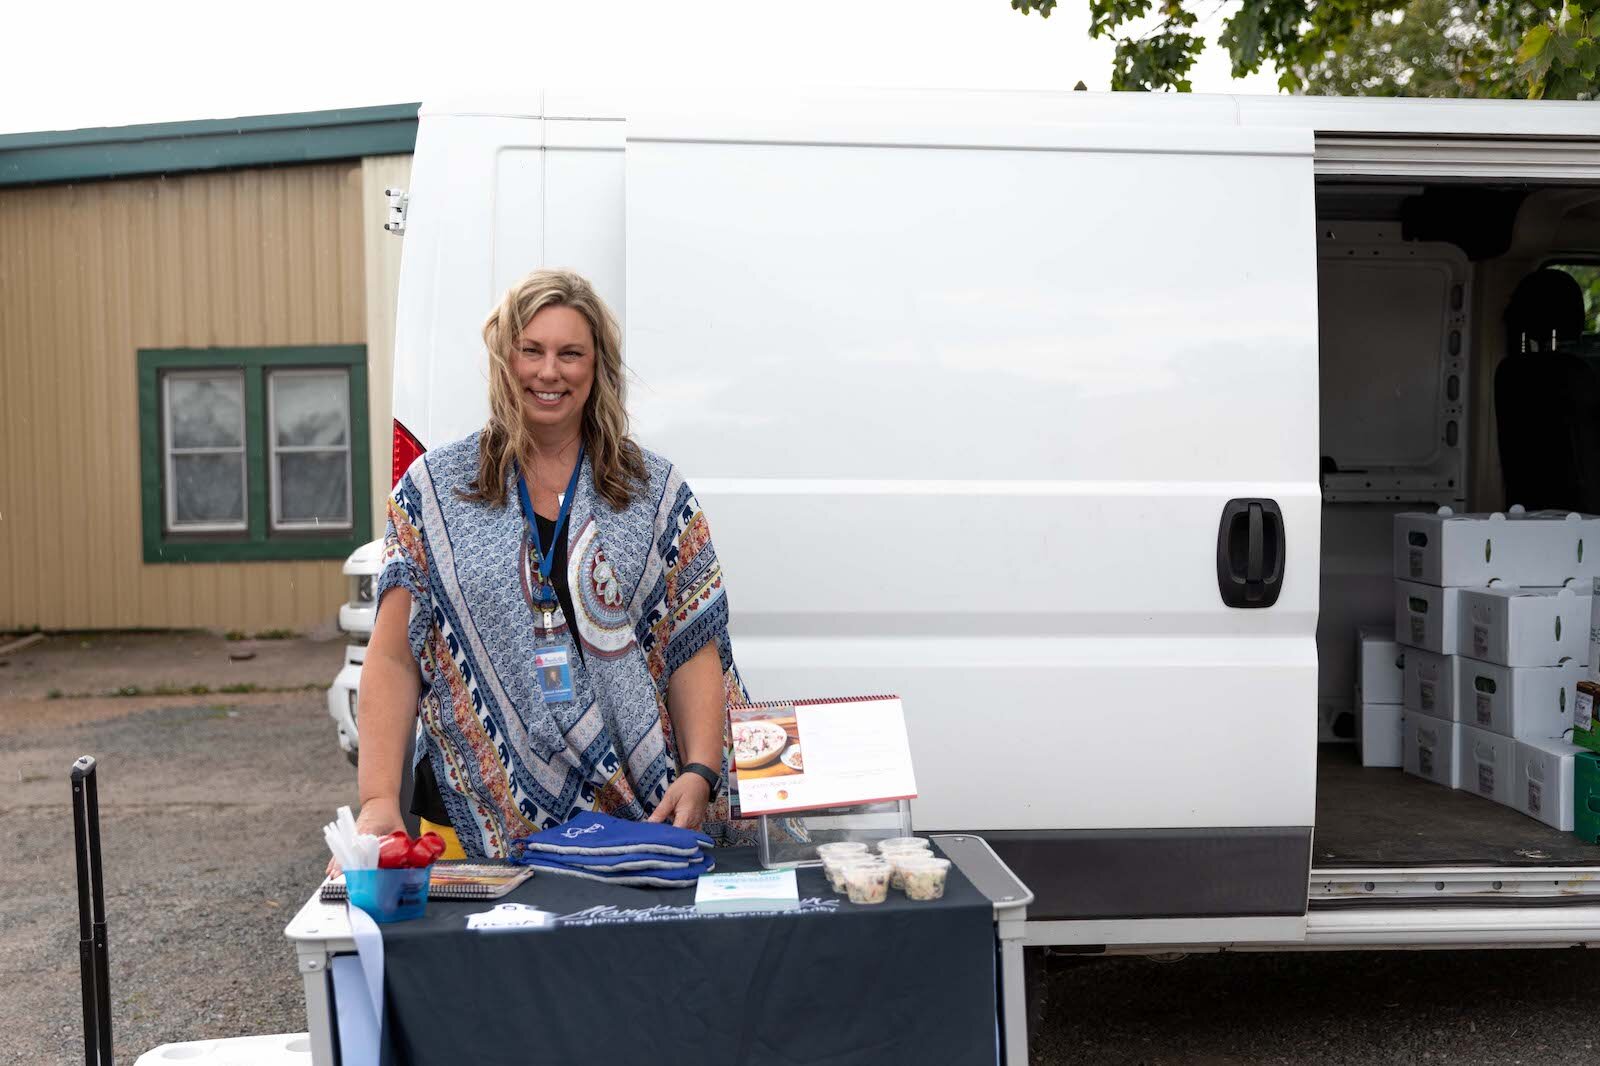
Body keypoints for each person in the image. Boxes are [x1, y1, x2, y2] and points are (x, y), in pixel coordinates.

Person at [349, 268, 747, 860]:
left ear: (598, 366)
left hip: (642, 818)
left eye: (570, 353)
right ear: (504, 360)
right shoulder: (434, 492)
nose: (548, 371)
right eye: (530, 351)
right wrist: (379, 800)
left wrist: (699, 770)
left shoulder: (654, 493)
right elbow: (392, 654)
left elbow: (693, 644)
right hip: (476, 817)